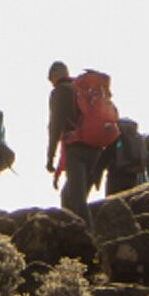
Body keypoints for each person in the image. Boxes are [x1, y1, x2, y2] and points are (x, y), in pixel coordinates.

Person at [45, 61, 103, 217]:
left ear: (55, 75)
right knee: (67, 196)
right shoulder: (84, 90)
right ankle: (77, 229)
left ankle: (88, 232)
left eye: (50, 79)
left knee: (77, 201)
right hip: (97, 150)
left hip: (77, 150)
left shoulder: (60, 91)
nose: (51, 83)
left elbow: (55, 125)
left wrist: (50, 157)